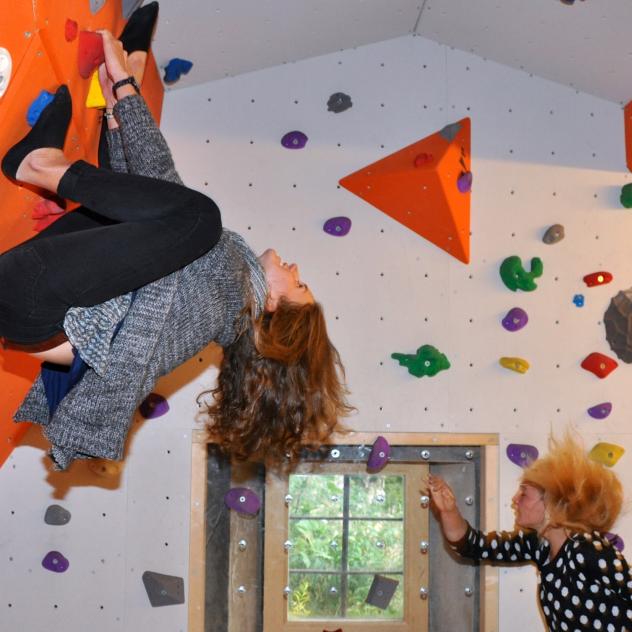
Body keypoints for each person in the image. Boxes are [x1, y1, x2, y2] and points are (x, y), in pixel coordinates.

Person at [0, 24, 351, 470]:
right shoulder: (227, 291)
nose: (297, 268)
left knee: (199, 219)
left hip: (33, 300)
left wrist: (127, 92)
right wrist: (118, 107)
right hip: (30, 301)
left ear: (274, 307)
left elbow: (166, 198)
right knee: (176, 217)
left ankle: (37, 163)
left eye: (300, 285)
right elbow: (152, 207)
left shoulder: (229, 292)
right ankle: (59, 143)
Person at [428, 433, 632, 631]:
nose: (515, 499)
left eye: (524, 492)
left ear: (552, 503)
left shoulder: (586, 548)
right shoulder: (539, 546)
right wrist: (448, 511)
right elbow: (473, 545)